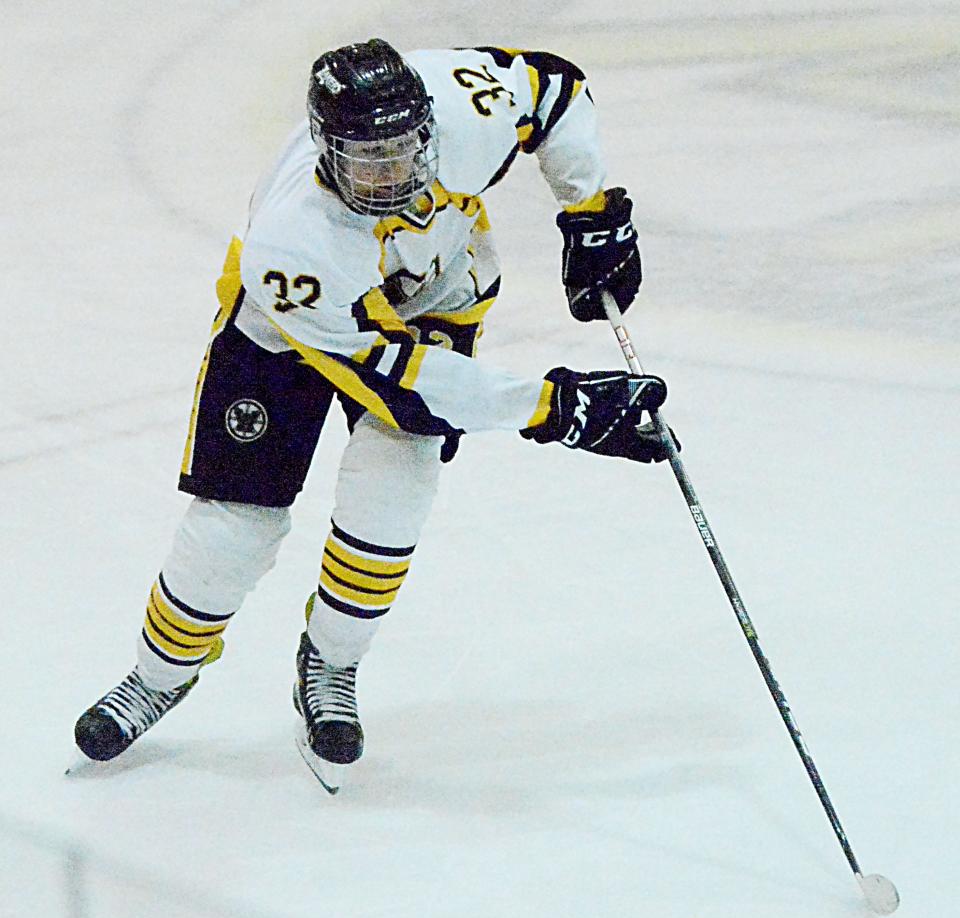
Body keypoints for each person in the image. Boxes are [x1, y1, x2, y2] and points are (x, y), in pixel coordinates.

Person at [73, 39, 675, 793]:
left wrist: (591, 212)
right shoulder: (293, 243)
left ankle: (330, 661)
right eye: (369, 159)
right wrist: (558, 408)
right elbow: (407, 383)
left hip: (433, 292)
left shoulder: (462, 105)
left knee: (393, 495)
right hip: (292, 323)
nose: (391, 175)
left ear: (427, 127)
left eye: (403, 152)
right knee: (236, 523)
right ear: (328, 152)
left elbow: (554, 90)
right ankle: (159, 673)